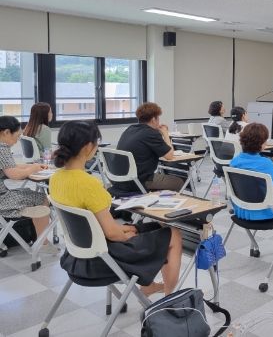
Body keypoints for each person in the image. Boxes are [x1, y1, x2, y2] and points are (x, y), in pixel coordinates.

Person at [49, 121, 182, 296]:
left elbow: (95, 225)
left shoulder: (55, 178)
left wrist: (126, 229)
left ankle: (148, 287)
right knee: (173, 233)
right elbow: (112, 234)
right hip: (101, 260)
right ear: (88, 146)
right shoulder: (89, 184)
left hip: (75, 257)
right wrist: (126, 235)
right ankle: (170, 298)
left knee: (145, 228)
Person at [0, 116, 58, 254]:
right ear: (6, 132)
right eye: (17, 136)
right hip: (3, 199)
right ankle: (43, 242)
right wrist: (32, 169)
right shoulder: (2, 148)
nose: (17, 140)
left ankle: (38, 236)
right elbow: (14, 175)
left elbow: (10, 166)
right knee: (42, 198)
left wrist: (31, 166)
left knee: (30, 193)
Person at [115, 102, 183, 195]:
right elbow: (169, 156)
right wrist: (165, 133)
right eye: (158, 118)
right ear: (153, 119)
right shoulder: (151, 133)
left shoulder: (130, 129)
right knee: (178, 182)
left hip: (119, 178)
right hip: (138, 181)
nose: (159, 121)